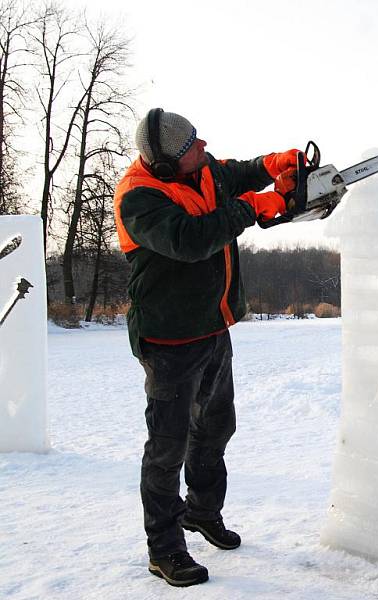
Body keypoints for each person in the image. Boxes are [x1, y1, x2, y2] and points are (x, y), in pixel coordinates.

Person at [114, 108, 299, 587]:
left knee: (215, 428)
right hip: (169, 338)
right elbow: (190, 240)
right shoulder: (140, 198)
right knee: (167, 448)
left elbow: (236, 172)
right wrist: (255, 207)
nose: (203, 147)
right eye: (193, 146)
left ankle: (201, 511)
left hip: (212, 329)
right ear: (167, 164)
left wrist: (275, 163)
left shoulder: (200, 167)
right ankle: (164, 548)